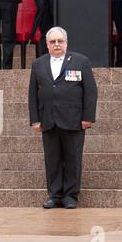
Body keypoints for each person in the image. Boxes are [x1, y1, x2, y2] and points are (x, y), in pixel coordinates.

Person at [28, 27, 97, 209]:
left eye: (60, 41)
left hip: (74, 120)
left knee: (73, 158)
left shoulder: (81, 61)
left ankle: (70, 196)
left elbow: (90, 92)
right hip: (48, 120)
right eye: (53, 42)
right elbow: (32, 94)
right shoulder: (38, 64)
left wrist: (88, 117)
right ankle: (55, 195)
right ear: (47, 44)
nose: (56, 45)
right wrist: (35, 119)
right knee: (52, 159)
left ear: (66, 43)